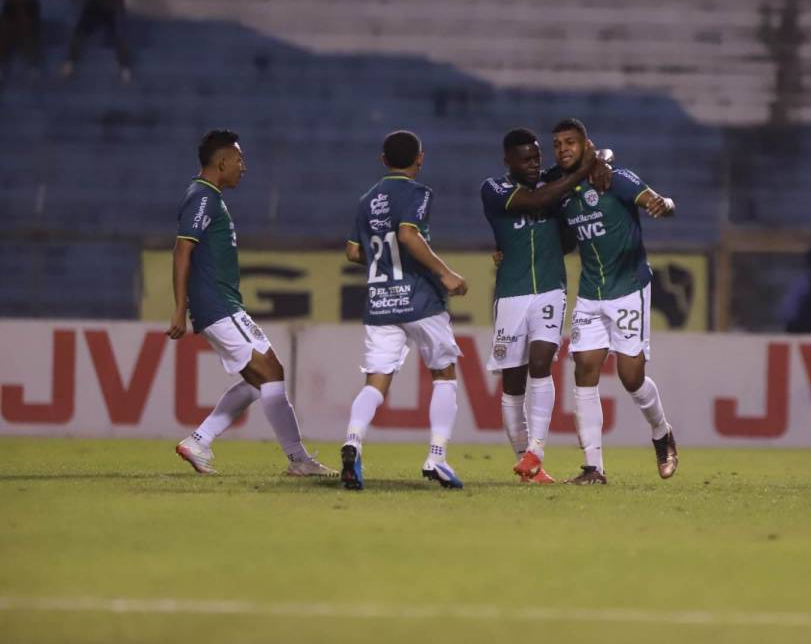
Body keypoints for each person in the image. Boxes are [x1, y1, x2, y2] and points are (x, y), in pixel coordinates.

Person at [170, 130, 336, 479]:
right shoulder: (202, 197)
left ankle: (199, 440)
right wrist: (179, 308)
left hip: (222, 303)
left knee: (260, 380)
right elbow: (182, 251)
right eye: (239, 159)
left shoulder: (211, 197)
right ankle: (298, 459)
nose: (243, 166)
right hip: (218, 304)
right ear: (221, 162)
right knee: (271, 371)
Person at [340, 130, 471, 491]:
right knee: (443, 374)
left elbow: (353, 252)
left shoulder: (366, 199)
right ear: (420, 158)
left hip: (381, 300)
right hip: (420, 299)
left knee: (376, 382)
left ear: (383, 161)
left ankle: (353, 441)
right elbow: (409, 235)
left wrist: (383, 264)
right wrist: (445, 273)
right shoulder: (418, 193)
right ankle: (437, 456)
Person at [551, 118, 679, 484]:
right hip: (591, 293)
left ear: (585, 143)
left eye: (570, 142)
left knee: (631, 377)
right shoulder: (562, 188)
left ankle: (661, 432)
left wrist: (661, 204)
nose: (563, 149)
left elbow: (660, 201)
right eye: (557, 143)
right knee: (584, 370)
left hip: (629, 288)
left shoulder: (616, 178)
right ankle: (594, 468)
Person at [481, 128, 604, 484]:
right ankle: (528, 465)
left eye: (537, 157)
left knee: (541, 362)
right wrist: (580, 174)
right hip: (511, 294)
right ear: (508, 161)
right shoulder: (493, 189)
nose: (534, 165)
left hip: (550, 288)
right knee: (512, 383)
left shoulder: (553, 184)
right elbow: (534, 203)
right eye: (525, 160)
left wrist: (595, 165)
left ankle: (536, 448)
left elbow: (565, 240)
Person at [0, 0, 42, 82]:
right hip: (11, 31)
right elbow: (6, 18)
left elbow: (35, 20)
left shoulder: (32, 2)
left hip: (28, 31)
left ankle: (33, 68)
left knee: (32, 42)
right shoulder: (9, 1)